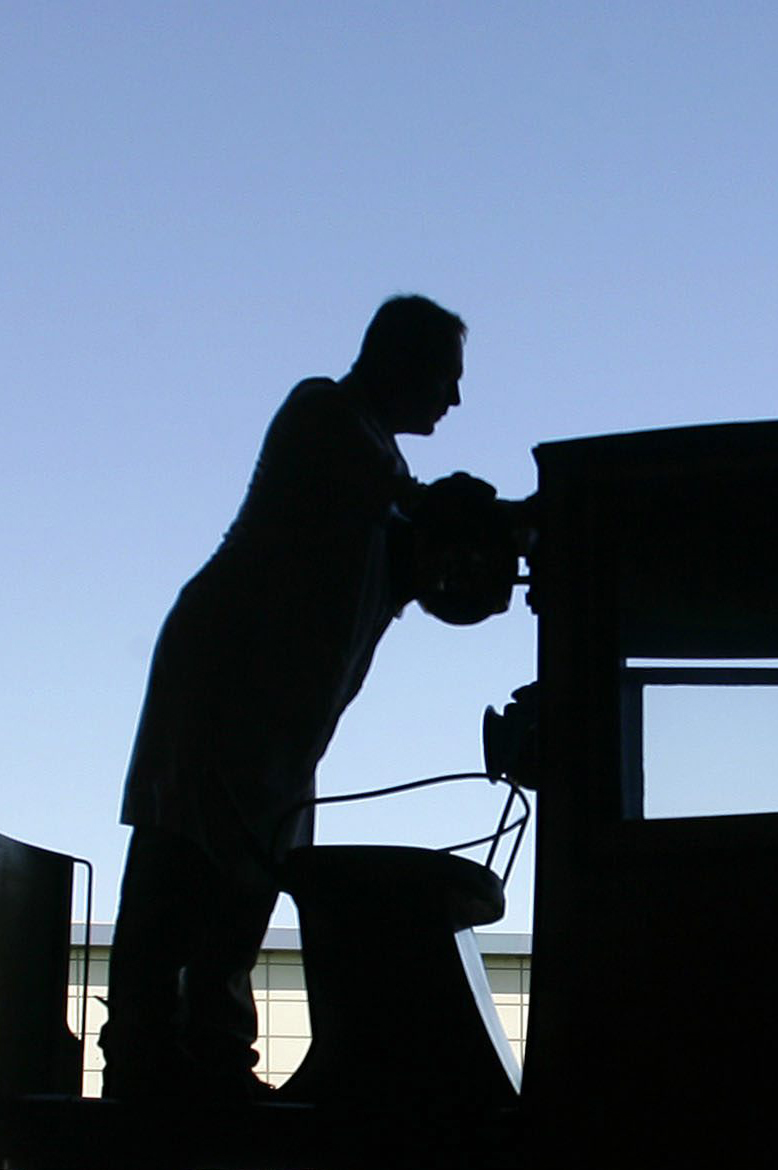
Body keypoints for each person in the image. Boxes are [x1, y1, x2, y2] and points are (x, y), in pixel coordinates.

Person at [102, 294, 519, 1102]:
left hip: (281, 718)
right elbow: (417, 510)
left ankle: (209, 1056)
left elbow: (426, 557)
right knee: (188, 859)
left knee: (250, 877)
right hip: (222, 684)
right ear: (397, 358)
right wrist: (485, 518)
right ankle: (147, 1059)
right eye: (447, 377)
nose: (456, 400)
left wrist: (489, 546)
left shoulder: (381, 467)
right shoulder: (325, 416)